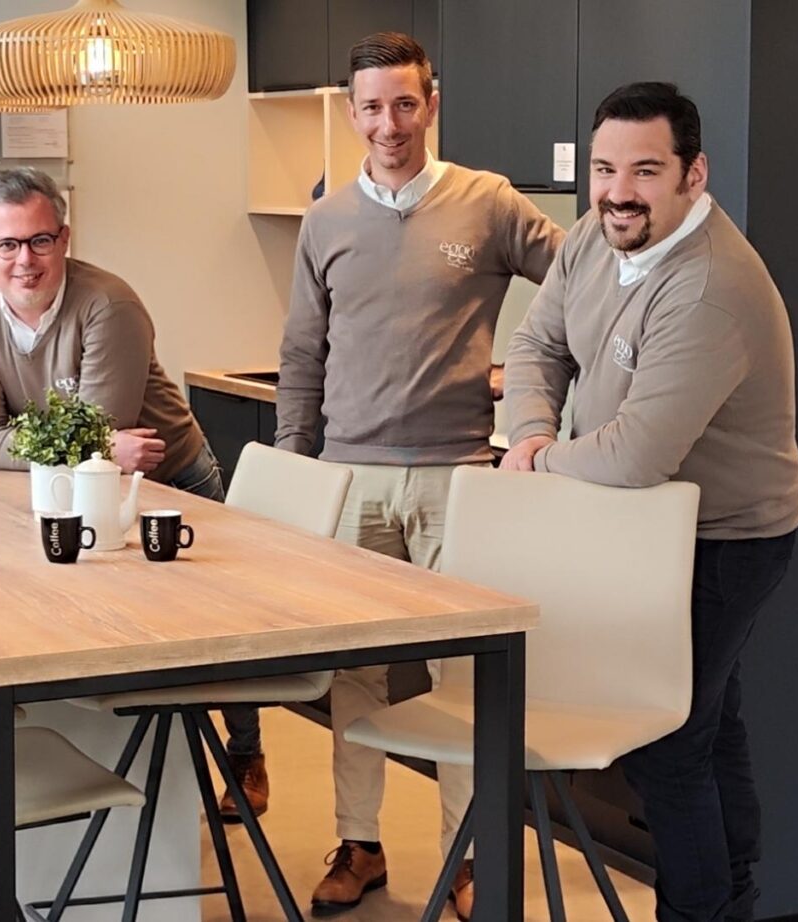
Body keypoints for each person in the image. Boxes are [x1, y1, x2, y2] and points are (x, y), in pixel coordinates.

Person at [274, 31, 566, 919]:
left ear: (431, 103)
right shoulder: (324, 220)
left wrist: (533, 384)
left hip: (455, 475)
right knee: (351, 676)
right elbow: (301, 351)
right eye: (371, 106)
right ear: (352, 111)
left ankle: (469, 858)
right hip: (350, 474)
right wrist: (294, 462)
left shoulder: (488, 204)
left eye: (406, 103)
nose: (389, 123)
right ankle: (359, 844)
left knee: (462, 681)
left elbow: (581, 285)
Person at [502, 81, 798, 922]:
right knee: (707, 729)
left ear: (692, 174)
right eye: (604, 169)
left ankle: (701, 911)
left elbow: (636, 455)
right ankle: (731, 901)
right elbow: (536, 342)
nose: (617, 191)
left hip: (724, 541)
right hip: (640, 531)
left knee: (671, 744)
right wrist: (532, 432)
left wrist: (539, 462)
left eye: (643, 170)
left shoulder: (709, 286)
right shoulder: (592, 241)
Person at [0, 167, 290, 817]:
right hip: (69, 487)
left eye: (40, 241)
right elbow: (9, 435)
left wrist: (33, 442)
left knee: (222, 626)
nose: (24, 261)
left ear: (65, 237)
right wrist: (92, 446)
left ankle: (244, 753)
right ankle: (148, 755)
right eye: (7, 245)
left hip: (170, 484)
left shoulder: (111, 305)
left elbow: (24, 436)